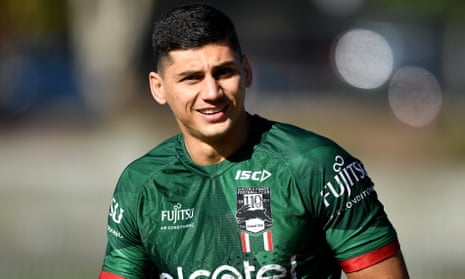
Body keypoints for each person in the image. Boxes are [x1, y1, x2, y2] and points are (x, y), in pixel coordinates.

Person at [99, 3, 409, 279]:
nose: (212, 92)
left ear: (246, 71)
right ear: (158, 88)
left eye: (224, 72)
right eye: (191, 78)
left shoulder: (315, 165)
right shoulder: (140, 185)